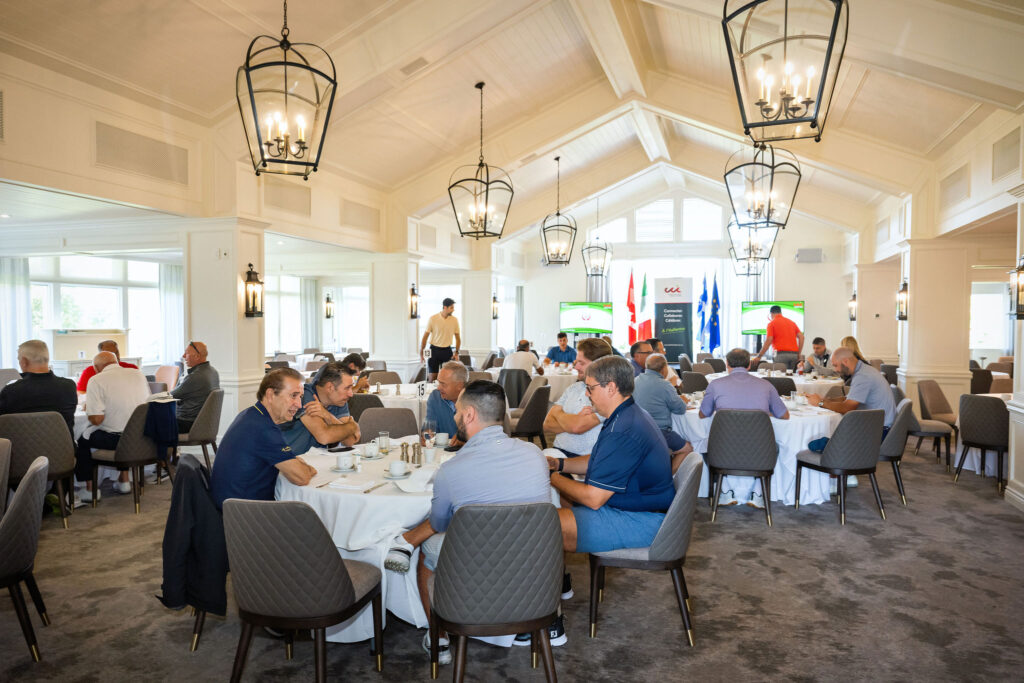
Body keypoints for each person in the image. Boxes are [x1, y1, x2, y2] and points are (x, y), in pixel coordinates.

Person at [382, 381, 554, 666]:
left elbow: (439, 523)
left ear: (470, 414)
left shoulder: (452, 470)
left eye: (458, 411)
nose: (454, 417)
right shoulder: (535, 454)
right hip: (533, 569)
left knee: (427, 550)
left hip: (477, 566)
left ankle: (438, 637)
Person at [548, 355, 673, 565]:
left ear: (611, 388)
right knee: (561, 502)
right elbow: (600, 461)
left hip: (644, 520)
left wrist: (551, 476)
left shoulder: (622, 431)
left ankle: (549, 582)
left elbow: (593, 498)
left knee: (542, 524)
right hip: (640, 508)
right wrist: (560, 464)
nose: (586, 394)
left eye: (590, 388)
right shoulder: (628, 414)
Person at [210, 368, 317, 509]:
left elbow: (289, 460)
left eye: (300, 397)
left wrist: (296, 464)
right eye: (293, 396)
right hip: (244, 512)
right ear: (270, 395)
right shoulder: (263, 428)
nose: (299, 404)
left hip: (229, 503)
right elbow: (301, 477)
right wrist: (308, 469)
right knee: (310, 516)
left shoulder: (251, 414)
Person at [698, 348, 790, 508]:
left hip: (723, 450)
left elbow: (703, 414)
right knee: (774, 446)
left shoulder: (715, 385)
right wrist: (764, 412)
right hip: (759, 451)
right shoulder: (766, 385)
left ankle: (725, 491)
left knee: (705, 445)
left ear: (727, 364)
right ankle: (758, 493)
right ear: (749, 365)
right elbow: (784, 415)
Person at [75, 351, 151, 501]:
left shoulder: (96, 380)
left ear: (96, 368)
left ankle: (90, 490)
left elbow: (96, 420)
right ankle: (124, 480)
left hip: (116, 440)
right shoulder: (138, 374)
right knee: (123, 424)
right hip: (142, 436)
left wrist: (90, 407)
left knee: (81, 440)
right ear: (116, 362)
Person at [542, 338, 612, 458]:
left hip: (582, 460)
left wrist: (559, 415)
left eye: (582, 363)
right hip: (556, 452)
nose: (576, 367)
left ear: (599, 365)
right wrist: (575, 419)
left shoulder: (607, 393)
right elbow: (547, 424)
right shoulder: (574, 388)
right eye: (576, 362)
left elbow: (577, 427)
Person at [805, 347, 896, 430]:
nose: (835, 370)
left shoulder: (863, 376)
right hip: (877, 423)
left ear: (845, 361)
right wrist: (825, 400)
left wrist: (820, 403)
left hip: (879, 430)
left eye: (835, 365)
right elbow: (848, 398)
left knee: (821, 436)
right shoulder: (863, 370)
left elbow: (847, 407)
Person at [0, 340, 77, 437]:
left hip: (21, 446)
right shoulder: (69, 386)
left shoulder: (11, 391)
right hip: (63, 445)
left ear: (24, 362)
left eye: (19, 359)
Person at [279, 362, 360, 454]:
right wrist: (352, 426)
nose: (351, 394)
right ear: (330, 387)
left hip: (316, 457)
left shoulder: (339, 400)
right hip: (287, 457)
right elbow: (324, 437)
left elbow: (350, 441)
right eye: (347, 388)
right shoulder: (304, 395)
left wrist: (327, 415)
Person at [632, 354, 689, 457]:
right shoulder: (665, 385)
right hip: (659, 432)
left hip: (638, 431)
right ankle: (668, 466)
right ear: (664, 369)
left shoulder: (635, 381)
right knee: (688, 448)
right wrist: (683, 401)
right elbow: (681, 409)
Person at [171, 341, 219, 434]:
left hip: (187, 424)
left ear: (197, 356)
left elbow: (170, 396)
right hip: (203, 423)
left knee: (151, 422)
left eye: (186, 353)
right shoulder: (213, 372)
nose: (183, 356)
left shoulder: (195, 376)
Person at [423, 360, 466, 447]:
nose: (438, 388)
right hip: (442, 451)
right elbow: (429, 427)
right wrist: (426, 434)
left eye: (443, 384)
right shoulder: (435, 397)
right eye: (439, 383)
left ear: (459, 386)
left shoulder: (475, 400)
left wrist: (467, 439)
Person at [420, 298, 461, 381]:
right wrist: (421, 354)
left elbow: (458, 338)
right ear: (445, 307)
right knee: (432, 378)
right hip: (434, 351)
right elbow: (425, 337)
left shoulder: (454, 320)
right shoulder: (433, 318)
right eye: (451, 308)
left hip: (447, 351)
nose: (453, 310)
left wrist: (456, 353)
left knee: (447, 378)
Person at [753, 306, 804, 371]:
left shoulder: (771, 323)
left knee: (780, 375)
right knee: (792, 375)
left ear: (771, 314)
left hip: (780, 355)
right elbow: (802, 337)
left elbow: (769, 340)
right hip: (794, 355)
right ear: (781, 313)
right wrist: (799, 353)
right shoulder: (792, 323)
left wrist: (759, 356)